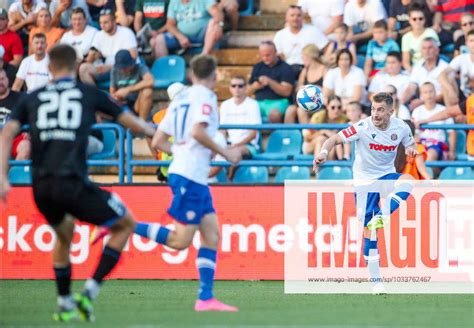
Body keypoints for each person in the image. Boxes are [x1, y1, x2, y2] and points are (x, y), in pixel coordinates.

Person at [0, 44, 156, 322]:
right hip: (72, 182)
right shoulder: (89, 93)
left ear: (49, 69)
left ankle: (63, 302)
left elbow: (6, 135)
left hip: (41, 188)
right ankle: (89, 292)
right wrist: (156, 131)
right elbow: (134, 125)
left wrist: (2, 176)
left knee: (64, 233)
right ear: (75, 67)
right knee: (126, 223)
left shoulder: (31, 98)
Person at [132, 55, 242, 311]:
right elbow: (197, 131)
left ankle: (205, 298)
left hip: (188, 172)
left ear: (191, 75)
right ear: (214, 76)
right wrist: (226, 153)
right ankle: (123, 225)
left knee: (212, 234)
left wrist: (180, 152)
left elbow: (158, 140)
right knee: (179, 241)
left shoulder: (181, 98)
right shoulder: (206, 97)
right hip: (190, 174)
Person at [313, 92, 418, 294]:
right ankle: (377, 282)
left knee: (408, 181)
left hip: (385, 176)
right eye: (372, 109)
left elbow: (409, 143)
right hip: (364, 183)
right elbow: (334, 139)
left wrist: (412, 149)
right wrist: (323, 153)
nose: (375, 114)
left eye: (380, 110)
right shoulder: (362, 127)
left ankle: (383, 215)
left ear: (391, 111)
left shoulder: (401, 127)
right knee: (370, 232)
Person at [79, 9, 137, 86]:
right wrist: (91, 57)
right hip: (105, 69)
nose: (102, 25)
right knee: (83, 68)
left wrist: (110, 67)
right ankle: (94, 95)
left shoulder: (126, 33)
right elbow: (91, 55)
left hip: (124, 69)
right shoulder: (99, 35)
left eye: (106, 22)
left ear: (114, 21)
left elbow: (133, 58)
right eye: (100, 23)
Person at [152, 0, 224, 58]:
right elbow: (170, 24)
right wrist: (180, 37)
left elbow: (218, 14)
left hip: (203, 35)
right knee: (159, 39)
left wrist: (219, 25)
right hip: (181, 35)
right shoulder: (174, 1)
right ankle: (164, 69)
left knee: (215, 24)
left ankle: (204, 56)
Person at [273, 5, 328, 77]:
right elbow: (277, 55)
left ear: (303, 17)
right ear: (286, 18)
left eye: (299, 15)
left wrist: (323, 62)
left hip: (309, 69)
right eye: (292, 15)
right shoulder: (280, 35)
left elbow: (327, 46)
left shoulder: (313, 31)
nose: (295, 18)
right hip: (288, 69)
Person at [247, 40, 294, 123]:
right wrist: (254, 87)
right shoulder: (257, 67)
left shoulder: (286, 68)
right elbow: (246, 92)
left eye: (268, 55)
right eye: (263, 55)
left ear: (275, 52)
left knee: (274, 115)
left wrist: (270, 82)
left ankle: (276, 135)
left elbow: (287, 92)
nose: (265, 58)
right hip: (258, 102)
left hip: (279, 102)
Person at [411, 82, 456, 162]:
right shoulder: (417, 111)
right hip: (421, 143)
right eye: (425, 92)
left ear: (435, 93)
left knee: (430, 155)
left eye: (431, 91)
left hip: (438, 145)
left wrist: (452, 151)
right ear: (421, 95)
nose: (429, 95)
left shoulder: (444, 110)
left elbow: (452, 132)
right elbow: (412, 132)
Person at [220, 75, 261, 160]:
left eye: (240, 86)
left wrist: (236, 145)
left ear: (246, 87)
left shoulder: (253, 104)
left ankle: (229, 174)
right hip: (229, 144)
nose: (237, 89)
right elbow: (222, 131)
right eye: (233, 86)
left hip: (249, 145)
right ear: (230, 88)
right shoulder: (225, 105)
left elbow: (254, 133)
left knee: (235, 153)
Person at [285, 44, 329, 124]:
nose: (302, 59)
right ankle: (288, 135)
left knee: (301, 110)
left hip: (318, 102)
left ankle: (307, 134)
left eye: (304, 57)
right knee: (290, 110)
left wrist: (311, 88)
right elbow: (298, 87)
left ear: (311, 57)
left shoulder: (324, 69)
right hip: (304, 100)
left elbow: (327, 89)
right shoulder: (305, 70)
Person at [401, 37, 448, 109]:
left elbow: (446, 94)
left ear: (437, 50)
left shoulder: (445, 67)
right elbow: (411, 87)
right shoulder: (417, 66)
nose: (427, 51)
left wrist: (423, 101)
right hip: (420, 106)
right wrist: (401, 102)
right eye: (424, 48)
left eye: (430, 48)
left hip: (440, 105)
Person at [109, 50, 154, 120]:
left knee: (147, 91)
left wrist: (128, 89)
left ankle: (142, 123)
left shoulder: (140, 67)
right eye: (121, 68)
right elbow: (112, 92)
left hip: (138, 103)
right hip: (123, 104)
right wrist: (117, 97)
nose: (122, 70)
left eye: (125, 67)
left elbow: (150, 81)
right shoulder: (115, 70)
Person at [0, 68, 30, 160]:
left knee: (26, 146)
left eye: (2, 79)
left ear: (8, 79)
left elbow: (32, 117)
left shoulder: (21, 98)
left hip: (16, 139)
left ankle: (14, 173)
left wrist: (29, 132)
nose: (0, 82)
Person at [438, 30, 474, 105]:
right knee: (449, 80)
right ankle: (451, 114)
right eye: (471, 41)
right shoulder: (462, 58)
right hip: (464, 96)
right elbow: (441, 75)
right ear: (466, 43)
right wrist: (450, 90)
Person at [401, 6, 439, 72]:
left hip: (431, 68)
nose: (417, 21)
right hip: (414, 70)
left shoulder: (431, 33)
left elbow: (436, 55)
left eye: (420, 18)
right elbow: (405, 62)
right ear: (409, 20)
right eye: (414, 19)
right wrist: (413, 72)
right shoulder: (406, 37)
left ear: (424, 20)